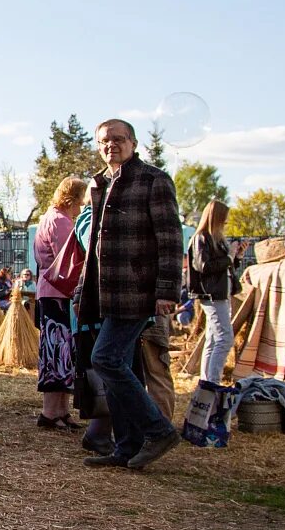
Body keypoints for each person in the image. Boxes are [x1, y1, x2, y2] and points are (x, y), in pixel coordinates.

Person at [79, 120, 184, 470]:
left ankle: (159, 430)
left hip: (137, 289)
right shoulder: (99, 183)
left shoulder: (154, 179)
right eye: (105, 141)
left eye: (119, 139)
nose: (112, 145)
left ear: (133, 143)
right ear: (98, 146)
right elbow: (94, 243)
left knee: (105, 359)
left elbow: (170, 240)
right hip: (105, 292)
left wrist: (167, 291)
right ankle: (126, 447)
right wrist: (83, 289)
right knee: (122, 366)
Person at [34, 177, 87, 431]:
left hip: (53, 291)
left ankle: (61, 411)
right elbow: (67, 262)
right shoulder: (59, 221)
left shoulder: (51, 218)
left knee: (63, 351)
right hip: (58, 292)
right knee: (57, 351)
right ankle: (50, 411)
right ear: (73, 198)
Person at [187, 199, 234, 385]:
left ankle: (207, 382)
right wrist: (229, 259)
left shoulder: (214, 239)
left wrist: (234, 258)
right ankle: (213, 382)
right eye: (224, 219)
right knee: (224, 338)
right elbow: (203, 266)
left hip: (219, 293)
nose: (226, 223)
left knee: (213, 338)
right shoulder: (202, 238)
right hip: (211, 294)